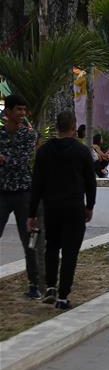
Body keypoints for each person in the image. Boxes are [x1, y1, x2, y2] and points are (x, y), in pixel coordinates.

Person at [27, 111, 95, 309]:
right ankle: (63, 295)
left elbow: (37, 184)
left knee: (52, 246)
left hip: (52, 207)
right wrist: (90, 206)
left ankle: (49, 286)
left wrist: (32, 213)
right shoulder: (82, 152)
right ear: (74, 128)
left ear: (56, 127)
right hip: (74, 207)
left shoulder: (44, 151)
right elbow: (90, 182)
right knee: (70, 252)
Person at [0, 94, 40, 298]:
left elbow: (22, 161)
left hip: (24, 193)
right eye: (18, 110)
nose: (22, 114)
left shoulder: (29, 136)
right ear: (7, 111)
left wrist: (3, 159)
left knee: (29, 240)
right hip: (2, 193)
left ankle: (34, 284)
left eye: (24, 110)